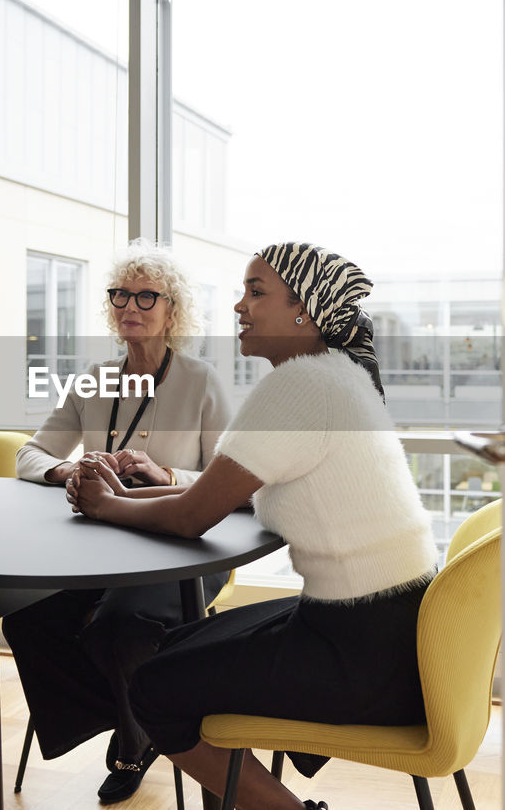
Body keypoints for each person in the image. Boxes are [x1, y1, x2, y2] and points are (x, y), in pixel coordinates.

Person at [68, 242, 438, 810]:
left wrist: (107, 506)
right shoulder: (334, 376)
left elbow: (194, 517)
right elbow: (229, 491)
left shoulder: (297, 388)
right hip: (394, 629)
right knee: (170, 649)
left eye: (256, 292)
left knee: (153, 686)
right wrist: (122, 495)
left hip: (360, 651)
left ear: (306, 311)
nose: (239, 306)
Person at [6, 239, 234, 803]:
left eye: (146, 296)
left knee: (117, 627)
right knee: (25, 619)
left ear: (172, 311)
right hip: (101, 550)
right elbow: (29, 454)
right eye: (120, 295)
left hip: (184, 550)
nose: (129, 306)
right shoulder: (95, 376)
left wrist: (165, 473)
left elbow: (232, 478)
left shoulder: (202, 380)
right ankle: (140, 716)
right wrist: (70, 470)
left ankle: (135, 741)